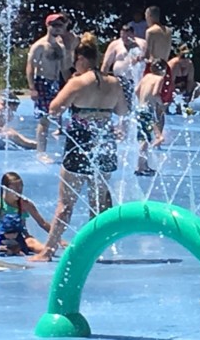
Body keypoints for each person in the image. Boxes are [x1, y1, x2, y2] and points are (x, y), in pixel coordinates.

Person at [30, 33, 129, 262]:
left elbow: (54, 108)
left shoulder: (77, 82)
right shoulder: (115, 83)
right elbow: (123, 112)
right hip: (105, 141)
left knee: (65, 204)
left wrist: (75, 88)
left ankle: (48, 251)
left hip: (80, 142)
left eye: (75, 61)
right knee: (98, 202)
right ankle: (93, 249)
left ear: (82, 59)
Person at [27, 13, 72, 163]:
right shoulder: (40, 45)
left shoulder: (60, 46)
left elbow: (64, 68)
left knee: (61, 114)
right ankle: (41, 152)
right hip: (42, 82)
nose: (58, 28)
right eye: (55, 25)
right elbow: (29, 66)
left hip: (55, 82)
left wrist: (70, 84)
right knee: (44, 119)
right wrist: (32, 87)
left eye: (61, 25)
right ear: (48, 26)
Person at [102, 23, 148, 111]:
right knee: (121, 108)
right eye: (123, 37)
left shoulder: (142, 44)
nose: (125, 40)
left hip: (138, 81)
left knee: (138, 107)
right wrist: (103, 82)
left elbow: (149, 59)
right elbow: (106, 64)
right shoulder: (115, 44)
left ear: (133, 35)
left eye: (128, 37)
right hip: (121, 80)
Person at [134, 58, 167, 176]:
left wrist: (142, 101)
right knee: (146, 138)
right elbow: (155, 93)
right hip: (148, 109)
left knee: (144, 136)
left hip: (139, 108)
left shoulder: (146, 77)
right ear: (163, 70)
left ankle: (144, 165)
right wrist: (161, 104)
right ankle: (140, 166)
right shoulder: (160, 78)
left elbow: (137, 91)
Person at [143, 6, 174, 124]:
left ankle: (149, 135)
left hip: (153, 68)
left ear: (150, 16)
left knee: (147, 102)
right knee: (161, 105)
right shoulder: (169, 31)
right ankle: (159, 134)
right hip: (165, 67)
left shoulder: (150, 31)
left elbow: (148, 54)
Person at [168, 44, 200, 114]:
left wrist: (186, 95)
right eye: (183, 57)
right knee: (174, 93)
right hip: (170, 88)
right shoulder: (173, 65)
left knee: (199, 87)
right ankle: (173, 106)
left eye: (188, 56)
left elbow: (190, 81)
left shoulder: (190, 64)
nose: (185, 60)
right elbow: (170, 83)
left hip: (182, 87)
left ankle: (186, 105)